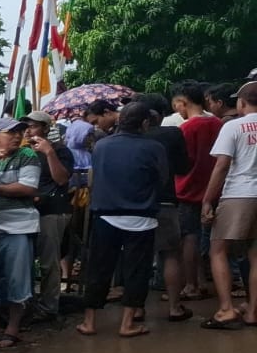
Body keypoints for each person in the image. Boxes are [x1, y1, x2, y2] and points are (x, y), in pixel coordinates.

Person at [78, 102, 169, 338]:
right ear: (145, 123)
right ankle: (128, 323)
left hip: (105, 215)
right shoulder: (154, 147)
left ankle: (89, 322)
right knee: (137, 270)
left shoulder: (102, 146)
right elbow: (162, 180)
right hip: (141, 216)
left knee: (98, 268)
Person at [0, 118, 41, 348]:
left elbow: (27, 187)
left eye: (19, 132)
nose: (17, 136)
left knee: (18, 278)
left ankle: (12, 328)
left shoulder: (27, 155)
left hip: (18, 226)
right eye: (10, 132)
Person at [200, 81, 257, 328]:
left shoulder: (233, 126)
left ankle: (226, 310)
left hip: (238, 194)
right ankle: (253, 311)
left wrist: (207, 200)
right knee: (256, 254)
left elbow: (222, 165)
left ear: (242, 102)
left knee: (218, 250)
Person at [141, 105, 195, 322]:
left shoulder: (128, 138)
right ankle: (174, 307)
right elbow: (183, 167)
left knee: (139, 256)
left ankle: (136, 309)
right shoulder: (172, 134)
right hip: (165, 200)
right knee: (171, 254)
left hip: (137, 204)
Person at [172, 81, 225, 301]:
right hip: (216, 189)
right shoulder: (218, 123)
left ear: (182, 102)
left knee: (189, 237)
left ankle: (191, 285)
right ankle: (204, 282)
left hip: (188, 190)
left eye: (176, 105)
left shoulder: (186, 128)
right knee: (214, 238)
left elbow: (182, 161)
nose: (177, 111)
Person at [22, 111, 75, 321]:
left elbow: (61, 179)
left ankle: (49, 306)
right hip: (28, 210)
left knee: (48, 260)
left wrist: (49, 152)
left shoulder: (60, 150)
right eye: (26, 127)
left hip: (52, 210)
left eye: (33, 126)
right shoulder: (24, 152)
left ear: (45, 128)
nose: (28, 131)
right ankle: (29, 303)